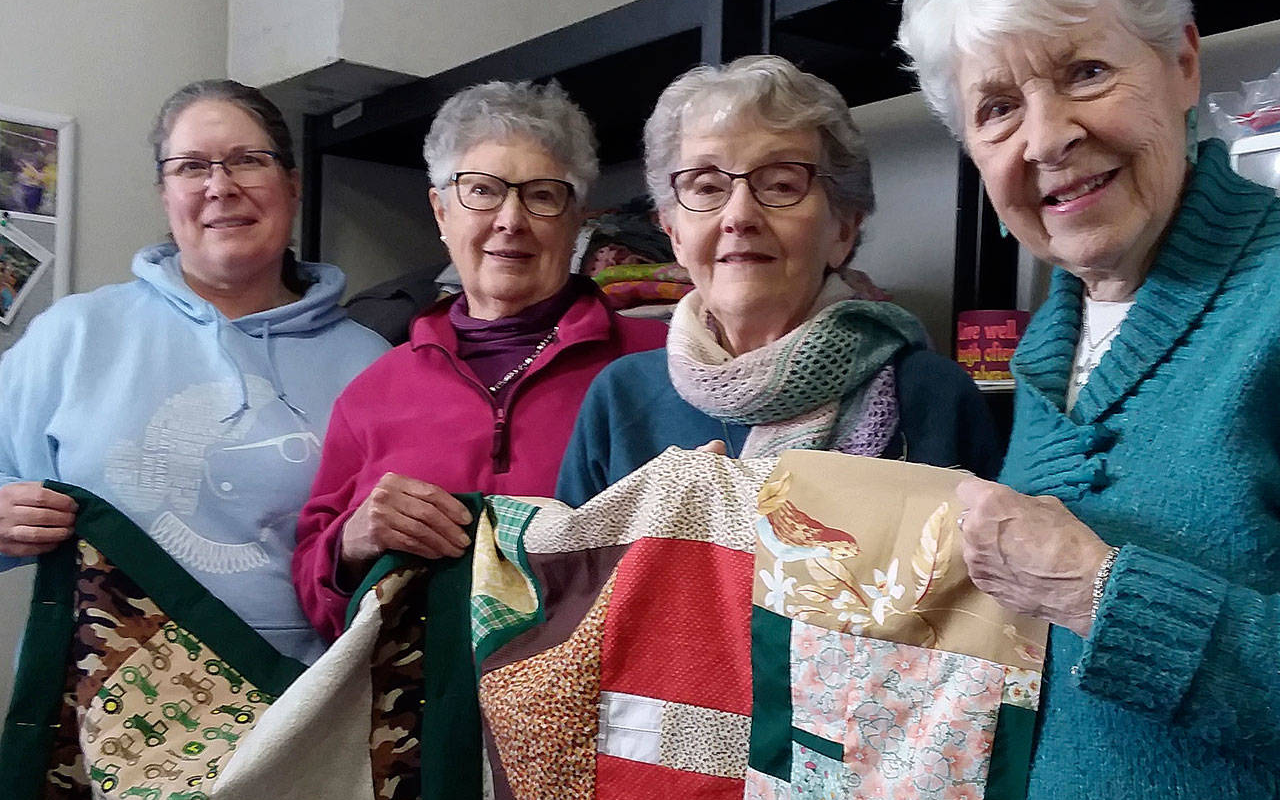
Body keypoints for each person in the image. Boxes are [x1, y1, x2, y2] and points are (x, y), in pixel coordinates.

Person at [898, 0, 1280, 800]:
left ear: (1183, 63)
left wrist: (1101, 592)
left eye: (1083, 72)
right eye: (995, 108)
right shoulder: (1039, 355)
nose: (1047, 136)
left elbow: (1093, 603)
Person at [0, 80, 388, 664]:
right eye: (190, 167)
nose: (220, 187)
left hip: (305, 714)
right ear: (164, 193)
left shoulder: (375, 366)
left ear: (293, 185)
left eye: (248, 161)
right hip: (100, 715)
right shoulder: (73, 336)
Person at [293, 80, 667, 643]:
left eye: (541, 195)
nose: (510, 219)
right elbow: (315, 594)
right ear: (440, 211)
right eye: (482, 191)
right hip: (421, 718)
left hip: (608, 715)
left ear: (576, 220)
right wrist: (351, 543)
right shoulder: (373, 392)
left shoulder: (655, 369)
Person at [556, 54, 1001, 506]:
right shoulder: (621, 397)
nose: (740, 216)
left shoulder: (930, 394)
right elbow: (567, 572)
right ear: (673, 234)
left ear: (843, 228)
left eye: (781, 185)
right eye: (707, 186)